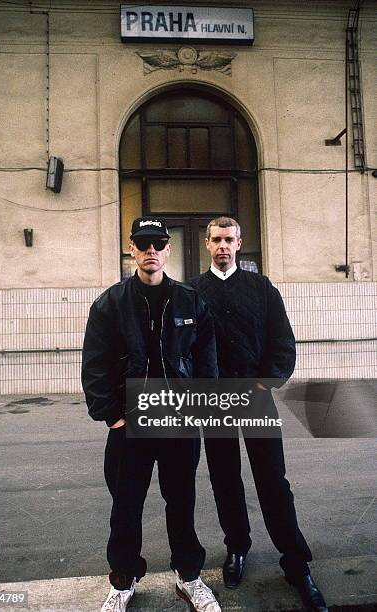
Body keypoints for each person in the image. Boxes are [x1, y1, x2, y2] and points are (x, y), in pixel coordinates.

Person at [82, 216, 221, 612]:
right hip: (130, 423)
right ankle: (123, 581)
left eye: (158, 244)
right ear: (131, 249)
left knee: (181, 501)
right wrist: (113, 417)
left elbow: (206, 361)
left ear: (168, 250)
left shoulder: (191, 301)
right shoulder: (110, 303)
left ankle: (189, 577)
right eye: (142, 244)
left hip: (178, 420)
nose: (150, 251)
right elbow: (95, 365)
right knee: (126, 503)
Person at [189, 216, 328, 612]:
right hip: (214, 401)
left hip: (255, 396)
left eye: (229, 239)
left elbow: (282, 342)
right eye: (216, 239)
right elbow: (187, 348)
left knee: (272, 480)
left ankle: (295, 562)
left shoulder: (261, 288)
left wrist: (266, 383)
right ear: (206, 243)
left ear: (240, 242)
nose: (223, 246)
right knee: (224, 479)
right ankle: (236, 548)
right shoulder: (193, 292)